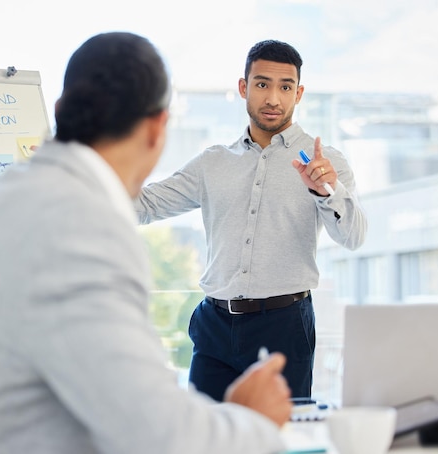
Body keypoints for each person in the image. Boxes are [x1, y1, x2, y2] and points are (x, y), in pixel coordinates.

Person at [0, 32, 292, 454]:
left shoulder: (7, 196)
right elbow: (157, 436)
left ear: (60, 112)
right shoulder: (79, 222)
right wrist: (251, 421)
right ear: (156, 129)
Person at [134, 39, 367, 402]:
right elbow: (144, 205)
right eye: (262, 84)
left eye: (285, 86)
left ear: (298, 93)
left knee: (281, 439)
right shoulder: (213, 162)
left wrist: (326, 191)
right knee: (205, 438)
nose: (273, 98)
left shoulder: (326, 163)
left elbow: (354, 236)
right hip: (214, 323)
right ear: (244, 88)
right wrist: (83, 172)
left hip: (283, 324)